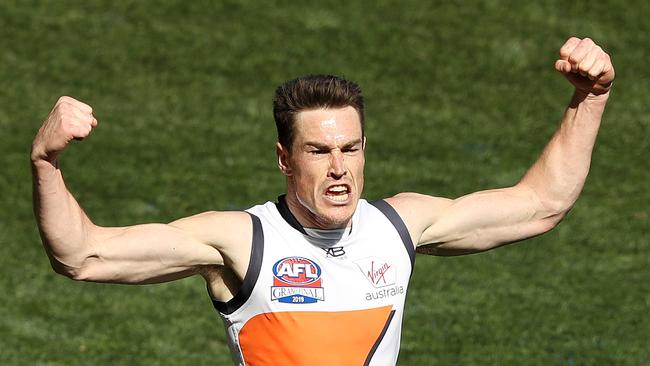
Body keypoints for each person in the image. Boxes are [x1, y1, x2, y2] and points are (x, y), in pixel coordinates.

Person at [31, 37, 614, 365]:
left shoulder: (399, 224)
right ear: (285, 158)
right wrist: (46, 163)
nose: (340, 170)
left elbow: (541, 204)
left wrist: (591, 98)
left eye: (351, 148)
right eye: (319, 151)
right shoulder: (242, 242)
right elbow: (84, 256)